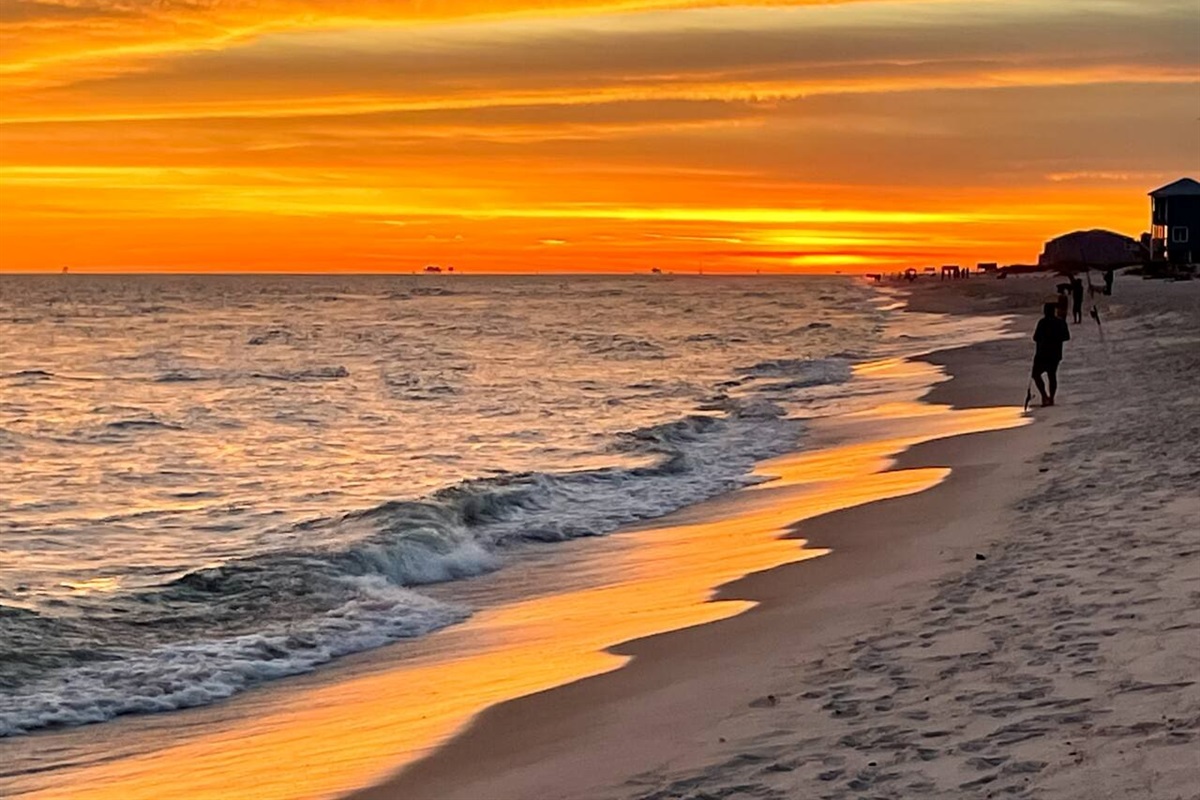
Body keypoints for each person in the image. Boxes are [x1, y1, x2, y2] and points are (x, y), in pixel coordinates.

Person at [1032, 302, 1070, 406]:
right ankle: (1051, 398)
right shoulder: (1060, 322)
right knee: (1052, 375)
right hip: (1055, 353)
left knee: (1036, 374)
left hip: (1042, 353)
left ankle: (1044, 396)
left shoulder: (1042, 322)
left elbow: (1035, 338)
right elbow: (1066, 336)